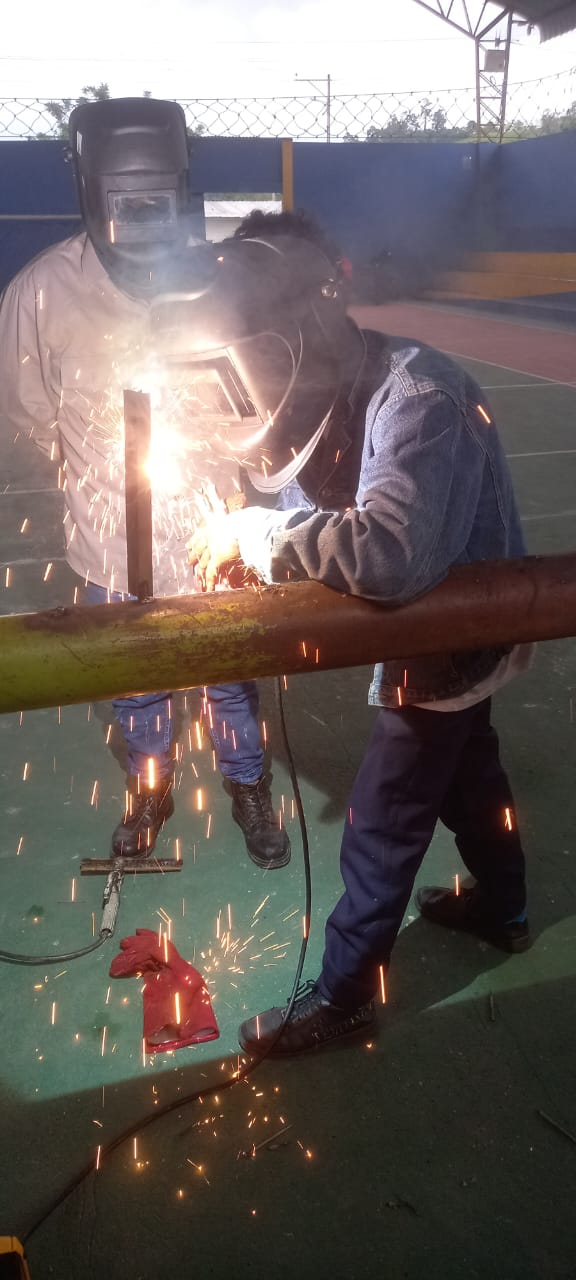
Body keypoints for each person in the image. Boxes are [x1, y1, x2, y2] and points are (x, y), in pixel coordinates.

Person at [174, 210, 533, 1055]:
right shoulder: (306, 381)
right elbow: (304, 495)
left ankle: (342, 996)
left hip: (453, 635)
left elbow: (390, 553)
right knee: (469, 777)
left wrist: (257, 537)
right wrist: (256, 544)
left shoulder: (418, 397)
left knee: (383, 815)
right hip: (439, 624)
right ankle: (507, 908)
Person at [0, 98, 290, 870]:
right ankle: (151, 788)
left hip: (211, 533)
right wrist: (95, 475)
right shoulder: (41, 293)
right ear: (91, 192)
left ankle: (247, 784)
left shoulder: (223, 284)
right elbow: (28, 415)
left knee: (230, 673)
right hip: (108, 538)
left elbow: (258, 404)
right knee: (134, 678)